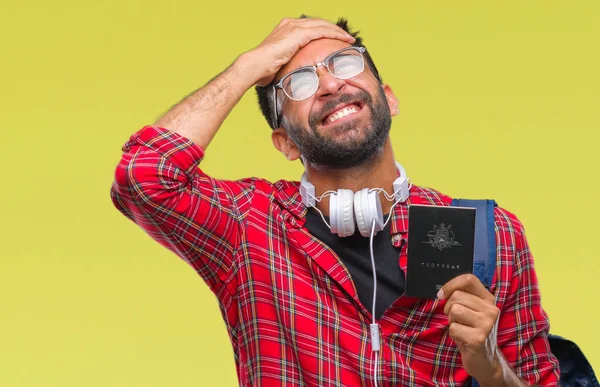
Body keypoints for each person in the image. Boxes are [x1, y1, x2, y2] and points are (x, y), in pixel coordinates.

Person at [110, 16, 560, 386]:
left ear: (389, 99)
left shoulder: (487, 231)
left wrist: (491, 367)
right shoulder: (250, 226)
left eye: (344, 63)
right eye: (300, 84)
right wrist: (250, 65)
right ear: (284, 143)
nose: (329, 86)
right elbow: (144, 176)